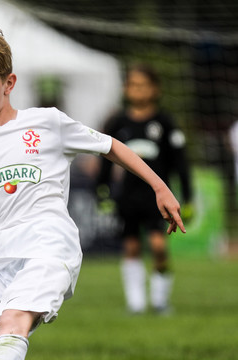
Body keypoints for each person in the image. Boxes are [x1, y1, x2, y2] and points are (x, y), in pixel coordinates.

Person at [0, 26, 186, 360]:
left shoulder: (47, 122)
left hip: (49, 251)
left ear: (9, 83)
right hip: (0, 258)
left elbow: (111, 147)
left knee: (13, 321)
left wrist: (160, 187)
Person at [96, 63, 193, 315]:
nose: (137, 90)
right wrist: (102, 189)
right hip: (127, 196)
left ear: (154, 89)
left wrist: (188, 196)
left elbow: (180, 163)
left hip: (157, 198)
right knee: (131, 247)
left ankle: (160, 300)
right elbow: (105, 158)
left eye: (143, 85)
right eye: (132, 85)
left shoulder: (165, 122)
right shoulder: (117, 122)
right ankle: (136, 303)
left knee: (158, 246)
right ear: (125, 89)